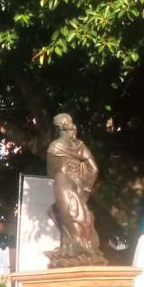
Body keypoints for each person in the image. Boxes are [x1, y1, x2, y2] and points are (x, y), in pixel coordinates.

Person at [45, 113, 106, 267]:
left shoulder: (54, 147)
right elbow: (94, 169)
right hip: (79, 186)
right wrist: (85, 188)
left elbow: (51, 172)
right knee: (61, 213)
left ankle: (75, 251)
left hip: (62, 183)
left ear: (58, 127)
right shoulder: (80, 145)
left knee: (68, 217)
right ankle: (72, 250)